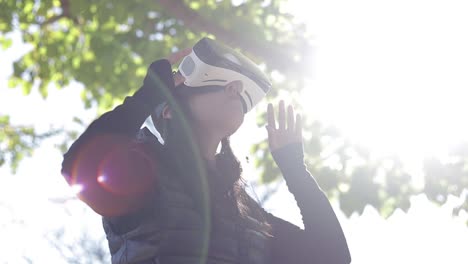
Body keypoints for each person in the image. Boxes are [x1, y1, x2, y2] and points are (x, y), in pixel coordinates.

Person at [61, 38, 351, 264]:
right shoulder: (144, 174)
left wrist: (295, 170)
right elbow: (81, 168)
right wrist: (147, 96)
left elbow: (332, 256)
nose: (235, 90)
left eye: (238, 89)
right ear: (168, 111)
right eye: (225, 85)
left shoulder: (246, 213)